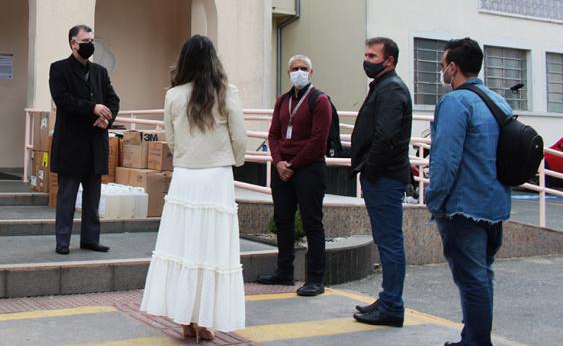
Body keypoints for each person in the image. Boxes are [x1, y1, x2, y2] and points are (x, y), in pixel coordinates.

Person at [140, 35, 248, 341]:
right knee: (211, 247)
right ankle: (204, 320)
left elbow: (171, 139)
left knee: (183, 246)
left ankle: (185, 319)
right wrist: (234, 160)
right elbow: (239, 137)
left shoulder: (174, 95)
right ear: (213, 59)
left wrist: (186, 156)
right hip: (215, 177)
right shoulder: (227, 92)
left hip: (186, 176)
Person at [428, 38, 512, 346]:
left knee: (472, 278)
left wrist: (434, 201)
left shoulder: (455, 102)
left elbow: (445, 160)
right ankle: (474, 337)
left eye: (442, 66)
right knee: (482, 275)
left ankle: (476, 342)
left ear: (453, 67)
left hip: (464, 207)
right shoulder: (497, 100)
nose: (442, 72)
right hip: (495, 204)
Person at [350, 37, 412, 328]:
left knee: (389, 243)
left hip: (385, 178)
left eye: (372, 55)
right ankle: (388, 299)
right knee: (387, 241)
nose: (367, 60)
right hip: (382, 176)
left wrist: (370, 171)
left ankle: (391, 306)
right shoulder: (384, 87)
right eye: (365, 54)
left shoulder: (391, 89)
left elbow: (385, 137)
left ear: (389, 61)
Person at [258, 54, 332, 296]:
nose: (298, 72)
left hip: (309, 169)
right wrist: (279, 162)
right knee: (283, 221)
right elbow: (273, 135)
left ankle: (315, 279)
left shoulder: (319, 100)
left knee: (312, 223)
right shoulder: (282, 101)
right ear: (288, 72)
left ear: (311, 73)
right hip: (282, 170)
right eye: (294, 68)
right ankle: (284, 272)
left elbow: (318, 141)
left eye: (303, 68)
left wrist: (293, 164)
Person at [49, 25, 120, 255]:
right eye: (85, 40)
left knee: (93, 198)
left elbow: (113, 99)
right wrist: (93, 108)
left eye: (92, 39)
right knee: (67, 198)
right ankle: (63, 242)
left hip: (95, 143)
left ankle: (91, 239)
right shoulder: (59, 69)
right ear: (73, 43)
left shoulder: (100, 71)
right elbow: (63, 100)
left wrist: (106, 119)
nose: (90, 44)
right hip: (71, 145)